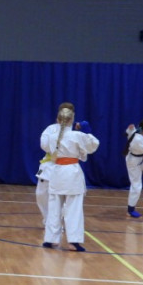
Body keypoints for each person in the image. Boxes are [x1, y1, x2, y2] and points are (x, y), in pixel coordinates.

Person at [41, 106, 99, 251]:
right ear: (72, 120)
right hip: (72, 173)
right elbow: (93, 146)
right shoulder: (76, 135)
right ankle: (73, 240)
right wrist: (87, 132)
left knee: (54, 207)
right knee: (74, 208)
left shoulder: (52, 136)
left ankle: (50, 239)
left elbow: (46, 147)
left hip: (57, 172)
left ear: (58, 120)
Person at [35, 102, 76, 225]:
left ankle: (56, 223)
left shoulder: (75, 131)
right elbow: (44, 145)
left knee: (61, 198)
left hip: (66, 166)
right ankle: (48, 220)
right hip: (49, 165)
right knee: (41, 194)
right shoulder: (51, 129)